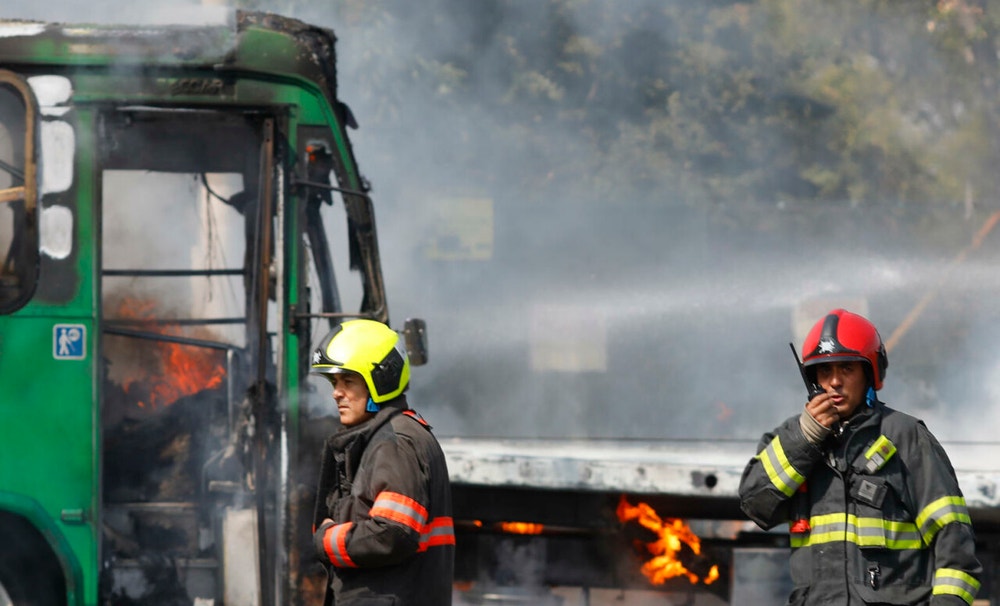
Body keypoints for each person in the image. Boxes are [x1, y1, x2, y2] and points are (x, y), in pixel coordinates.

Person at [739, 308, 982, 605]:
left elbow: (954, 540)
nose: (835, 382)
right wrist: (806, 438)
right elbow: (755, 504)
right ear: (813, 379)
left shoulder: (905, 437)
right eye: (825, 371)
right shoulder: (791, 439)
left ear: (869, 374)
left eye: (847, 369)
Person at [310, 319, 454, 605]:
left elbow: (392, 532)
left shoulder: (394, 443)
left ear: (382, 378)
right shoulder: (386, 437)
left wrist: (327, 540)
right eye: (335, 382)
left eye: (348, 381)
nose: (336, 393)